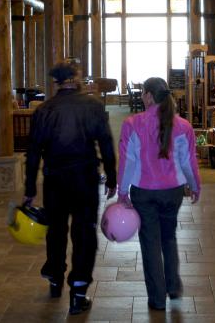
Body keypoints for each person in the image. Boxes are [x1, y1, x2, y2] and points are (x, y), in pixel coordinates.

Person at [23, 62, 117, 315]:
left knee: (56, 230)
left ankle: (54, 277)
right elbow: (105, 143)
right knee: (84, 232)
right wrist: (111, 177)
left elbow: (33, 152)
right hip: (84, 178)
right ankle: (78, 290)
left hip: (54, 179)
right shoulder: (93, 106)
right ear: (75, 78)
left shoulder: (44, 110)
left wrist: (30, 187)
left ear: (56, 81)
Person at [116, 77, 201, 311]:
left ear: (150, 96)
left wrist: (122, 192)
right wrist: (195, 185)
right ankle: (173, 287)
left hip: (144, 192)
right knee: (169, 237)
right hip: (172, 191)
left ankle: (156, 299)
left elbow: (128, 161)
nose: (142, 96)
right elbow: (188, 161)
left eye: (143, 93)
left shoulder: (133, 123)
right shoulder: (183, 126)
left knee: (150, 242)